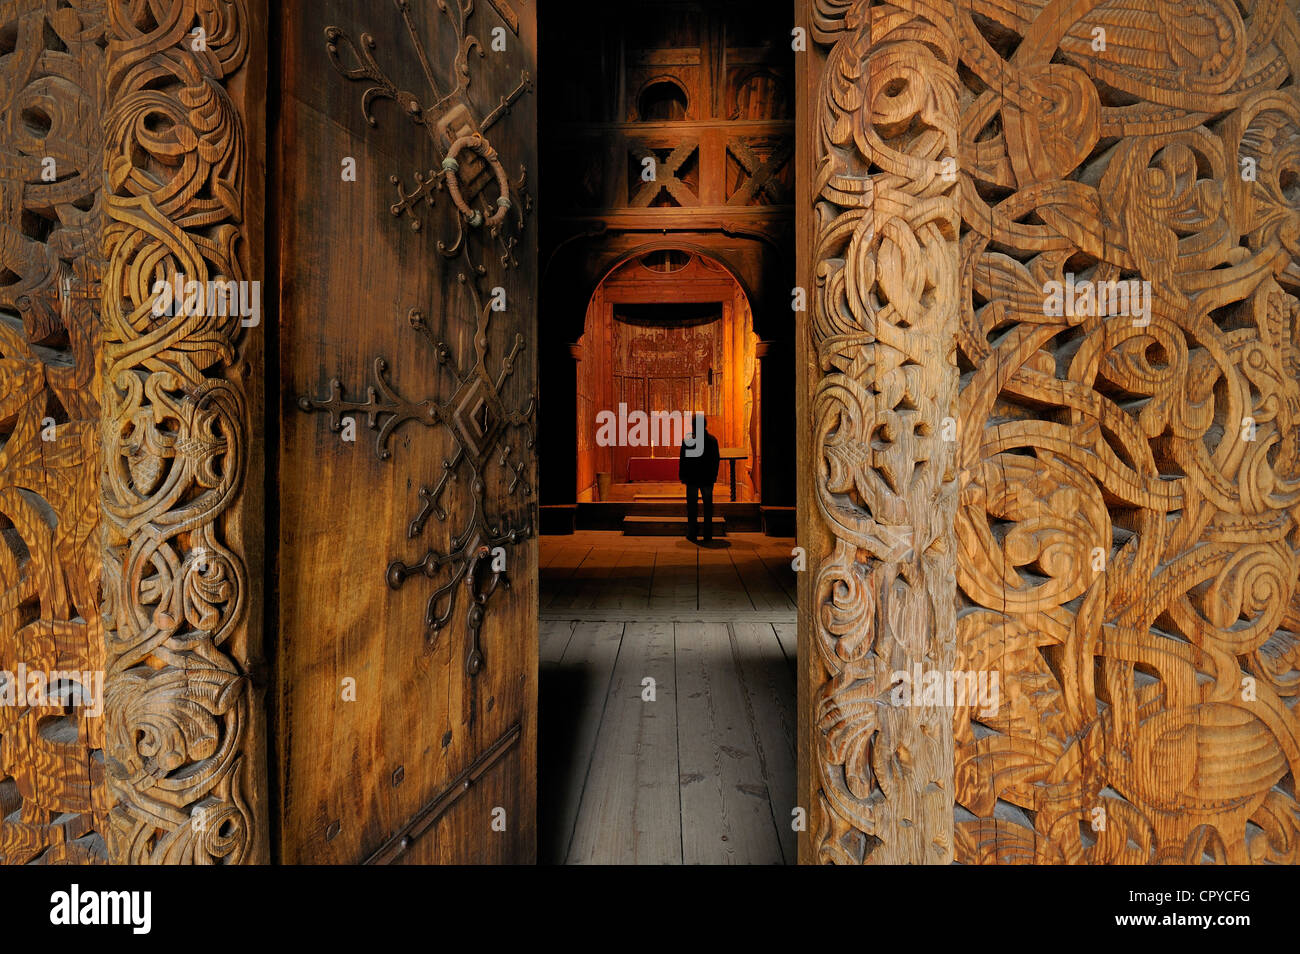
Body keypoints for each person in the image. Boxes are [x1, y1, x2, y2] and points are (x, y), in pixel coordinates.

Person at [678, 413, 721, 543]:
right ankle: (708, 534)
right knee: (708, 507)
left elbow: (683, 460)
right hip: (707, 479)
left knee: (692, 507)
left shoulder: (688, 441)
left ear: (694, 426)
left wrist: (683, 476)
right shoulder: (712, 440)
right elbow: (716, 460)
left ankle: (692, 533)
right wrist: (714, 476)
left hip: (692, 479)